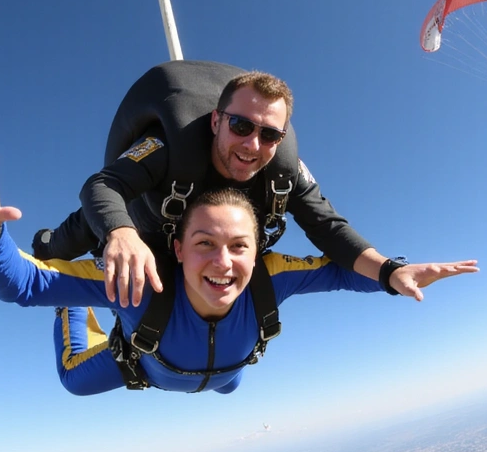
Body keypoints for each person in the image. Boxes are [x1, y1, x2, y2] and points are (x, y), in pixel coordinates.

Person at [0, 137, 479, 395]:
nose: (224, 261)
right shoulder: (139, 285)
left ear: (258, 250)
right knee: (73, 382)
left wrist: (390, 273)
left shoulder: (271, 275)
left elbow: (337, 269)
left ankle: (221, 379)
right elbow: (24, 284)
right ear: (177, 249)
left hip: (224, 371)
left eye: (239, 246)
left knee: (229, 385)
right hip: (143, 364)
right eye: (204, 242)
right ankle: (75, 307)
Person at [34, 61, 433, 310]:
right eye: (241, 126)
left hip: (197, 244)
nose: (252, 145)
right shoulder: (168, 145)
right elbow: (103, 185)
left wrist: (389, 273)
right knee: (86, 230)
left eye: (269, 135)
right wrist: (121, 234)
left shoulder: (284, 169)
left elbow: (327, 226)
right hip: (147, 220)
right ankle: (47, 244)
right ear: (216, 121)